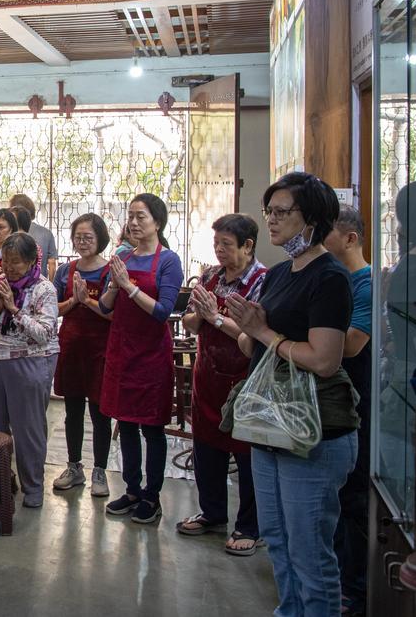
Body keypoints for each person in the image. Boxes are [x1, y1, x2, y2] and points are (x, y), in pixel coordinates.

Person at [226, 172, 357, 617]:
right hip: (270, 424)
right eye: (270, 212)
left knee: (310, 551)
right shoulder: (280, 272)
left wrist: (264, 331)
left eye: (284, 212)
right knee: (278, 541)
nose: (273, 221)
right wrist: (248, 328)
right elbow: (255, 344)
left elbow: (325, 359)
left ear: (314, 219)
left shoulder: (330, 278)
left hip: (314, 429)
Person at [178, 213, 268, 555]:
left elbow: (254, 335)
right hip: (208, 375)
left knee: (246, 454)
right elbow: (190, 322)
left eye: (226, 245)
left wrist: (216, 316)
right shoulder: (211, 276)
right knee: (206, 447)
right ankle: (212, 512)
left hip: (243, 378)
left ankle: (250, 525)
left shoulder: (262, 280)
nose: (219, 251)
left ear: (248, 245)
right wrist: (201, 315)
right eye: (216, 244)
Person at [98, 193, 183, 525]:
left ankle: (152, 495)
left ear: (157, 222)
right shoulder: (123, 257)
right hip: (122, 352)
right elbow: (105, 307)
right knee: (127, 424)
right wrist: (114, 287)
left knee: (152, 428)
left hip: (150, 356)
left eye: (141, 217)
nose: (133, 223)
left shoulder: (168, 261)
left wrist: (129, 288)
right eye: (130, 217)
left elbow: (163, 311)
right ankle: (132, 489)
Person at [0, 232, 59, 507]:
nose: (9, 268)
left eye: (16, 263)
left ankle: (33, 487)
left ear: (33, 261)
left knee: (28, 429)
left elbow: (44, 334)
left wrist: (14, 309)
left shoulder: (44, 289)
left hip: (29, 363)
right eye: (6, 261)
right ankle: (1, 478)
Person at [323, 207, 372, 617]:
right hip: (336, 401)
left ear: (351, 238)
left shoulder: (366, 285)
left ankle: (355, 590)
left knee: (353, 498)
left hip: (359, 399)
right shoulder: (335, 280)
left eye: (329, 233)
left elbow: (352, 344)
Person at [51, 213, 113, 497]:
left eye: (88, 237)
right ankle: (74, 467)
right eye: (78, 237)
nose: (83, 242)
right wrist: (74, 301)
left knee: (100, 412)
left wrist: (86, 301)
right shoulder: (65, 270)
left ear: (100, 238)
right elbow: (53, 309)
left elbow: (114, 314)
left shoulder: (112, 271)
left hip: (101, 349)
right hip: (71, 345)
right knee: (72, 410)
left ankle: (100, 470)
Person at [11, 194, 58, 278]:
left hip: (15, 282)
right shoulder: (47, 233)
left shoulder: (11, 233)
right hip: (39, 281)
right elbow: (52, 263)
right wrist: (50, 283)